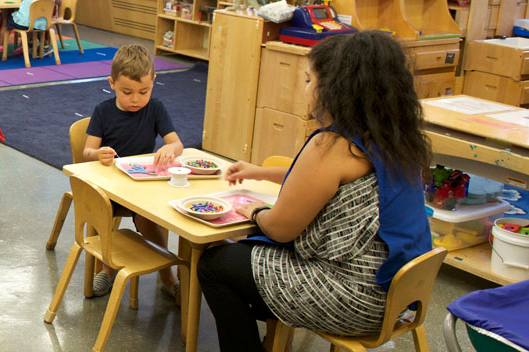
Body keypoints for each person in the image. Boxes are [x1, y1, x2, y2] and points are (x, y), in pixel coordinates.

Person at [198, 31, 433, 351]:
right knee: (251, 260)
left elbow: (280, 229)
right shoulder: (393, 138)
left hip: (355, 300)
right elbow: (319, 182)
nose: (305, 89)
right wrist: (261, 172)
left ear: (334, 88)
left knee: (217, 264)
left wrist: (254, 211)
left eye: (310, 80)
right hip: (397, 296)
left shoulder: (334, 145)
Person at [82, 44, 183, 298]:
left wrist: (171, 149)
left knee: (150, 217)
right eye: (127, 92)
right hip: (110, 188)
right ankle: (107, 268)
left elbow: (177, 142)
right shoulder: (103, 111)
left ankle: (166, 275)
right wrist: (99, 153)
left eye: (144, 91)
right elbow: (87, 153)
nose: (136, 99)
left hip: (141, 188)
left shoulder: (156, 108)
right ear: (112, 83)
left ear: (154, 83)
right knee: (105, 215)